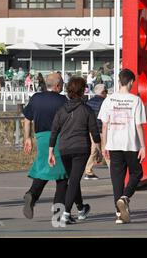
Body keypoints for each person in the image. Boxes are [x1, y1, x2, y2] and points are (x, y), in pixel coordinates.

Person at [22, 73, 87, 221]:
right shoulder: (63, 101)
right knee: (62, 177)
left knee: (43, 170)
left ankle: (32, 194)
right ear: (57, 86)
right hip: (58, 138)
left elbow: (27, 119)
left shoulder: (36, 98)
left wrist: (27, 138)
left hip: (41, 137)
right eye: (62, 84)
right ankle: (58, 214)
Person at [48, 77, 101, 225]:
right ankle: (65, 213)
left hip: (64, 148)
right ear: (83, 90)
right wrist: (98, 148)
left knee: (73, 178)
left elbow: (54, 131)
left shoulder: (61, 110)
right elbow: (94, 131)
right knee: (74, 180)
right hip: (81, 148)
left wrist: (51, 151)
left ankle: (81, 208)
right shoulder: (87, 109)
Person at [98, 69, 146, 224]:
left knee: (117, 179)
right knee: (137, 172)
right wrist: (143, 146)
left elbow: (104, 125)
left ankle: (119, 214)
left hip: (113, 143)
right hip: (130, 143)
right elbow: (139, 125)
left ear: (119, 81)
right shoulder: (135, 100)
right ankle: (125, 198)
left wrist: (104, 145)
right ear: (131, 82)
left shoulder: (108, 100)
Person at [84, 84, 108, 180]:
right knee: (106, 151)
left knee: (93, 151)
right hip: (102, 130)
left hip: (92, 131)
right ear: (103, 92)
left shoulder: (89, 102)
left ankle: (88, 171)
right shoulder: (105, 102)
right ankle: (114, 171)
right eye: (106, 92)